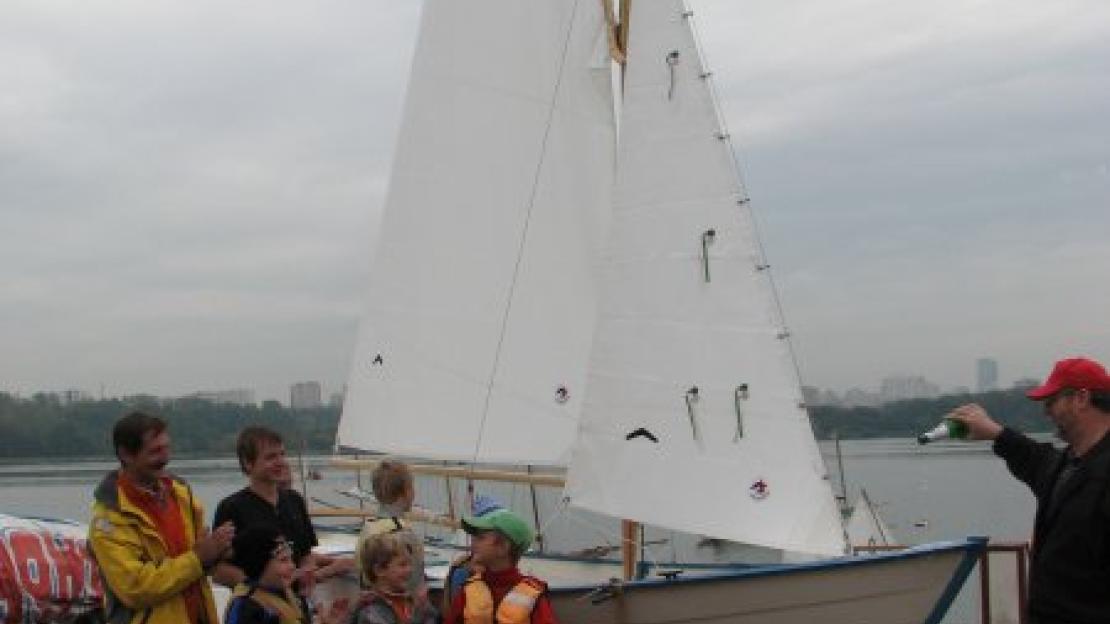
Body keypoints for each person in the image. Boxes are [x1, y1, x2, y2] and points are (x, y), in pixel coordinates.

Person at [949, 356, 1110, 624]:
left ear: (1081, 398)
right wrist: (995, 434)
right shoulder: (1068, 464)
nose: (1046, 411)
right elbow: (1033, 458)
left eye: (1052, 401)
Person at [88, 410, 233, 624]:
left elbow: (199, 562)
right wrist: (199, 558)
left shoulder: (182, 494)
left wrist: (218, 552)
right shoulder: (107, 522)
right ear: (126, 454)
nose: (166, 458)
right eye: (155, 451)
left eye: (167, 448)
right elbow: (135, 588)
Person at [213, 427, 321, 592]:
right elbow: (218, 570)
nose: (281, 462)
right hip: (256, 609)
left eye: (282, 454)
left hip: (296, 606)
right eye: (271, 457)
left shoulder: (295, 500)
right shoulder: (231, 508)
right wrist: (258, 584)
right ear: (248, 463)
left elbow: (306, 554)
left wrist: (307, 573)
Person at [443, 508, 558, 624]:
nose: (473, 542)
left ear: (502, 548)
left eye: (481, 538)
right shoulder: (467, 590)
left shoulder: (533, 597)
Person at [224, 525, 349, 624]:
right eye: (283, 560)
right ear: (258, 564)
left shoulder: (286, 593)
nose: (292, 566)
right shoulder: (246, 608)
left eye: (291, 559)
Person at [354, 461, 425, 593]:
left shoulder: (369, 526)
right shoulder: (404, 534)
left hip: (371, 599)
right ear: (406, 492)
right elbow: (416, 587)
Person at [348, 532, 437, 624]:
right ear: (379, 571)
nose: (410, 570)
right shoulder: (371, 611)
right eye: (402, 565)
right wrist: (420, 612)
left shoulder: (410, 602)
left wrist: (425, 609)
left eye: (410, 564)